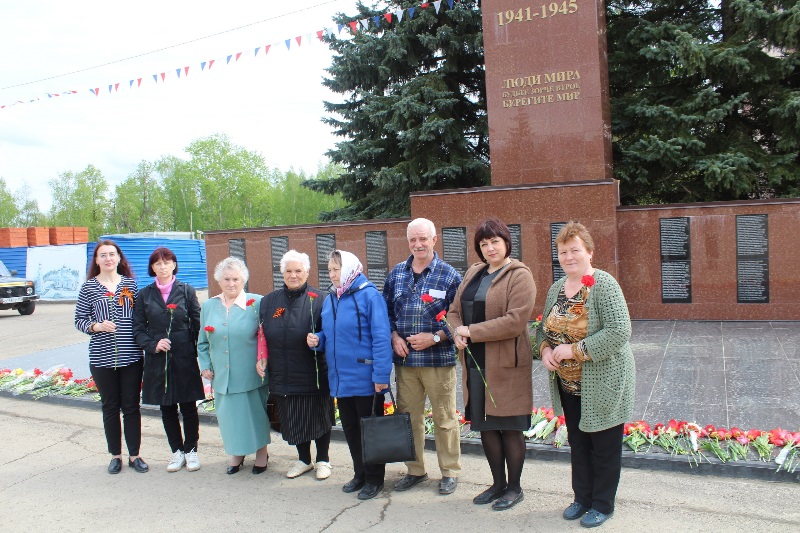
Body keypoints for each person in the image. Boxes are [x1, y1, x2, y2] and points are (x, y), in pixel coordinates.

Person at [534, 221, 635, 528]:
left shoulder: (603, 285)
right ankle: (582, 498)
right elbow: (542, 330)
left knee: (603, 448)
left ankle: (602, 504)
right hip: (569, 385)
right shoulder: (556, 288)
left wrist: (575, 351)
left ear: (589, 252)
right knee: (578, 444)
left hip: (603, 384)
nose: (569, 257)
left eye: (575, 250)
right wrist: (545, 350)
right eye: (563, 252)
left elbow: (620, 332)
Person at [447, 219, 536, 511]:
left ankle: (514, 487)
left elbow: (515, 321)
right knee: (486, 427)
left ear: (506, 242)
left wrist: (471, 332)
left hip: (505, 364)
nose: (490, 248)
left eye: (495, 241)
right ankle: (497, 484)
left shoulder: (519, 275)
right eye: (484, 243)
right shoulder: (474, 272)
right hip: (475, 362)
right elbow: (454, 311)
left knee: (509, 428)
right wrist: (456, 333)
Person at [382, 218, 462, 495]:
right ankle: (415, 469)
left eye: (423, 239)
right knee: (409, 418)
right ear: (408, 242)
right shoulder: (396, 274)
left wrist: (436, 337)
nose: (418, 245)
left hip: (438, 361)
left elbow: (458, 319)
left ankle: (449, 471)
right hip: (406, 363)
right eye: (413, 240)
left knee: (444, 418)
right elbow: (386, 314)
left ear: (434, 239)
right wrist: (393, 336)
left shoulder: (450, 275)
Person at [307, 250, 392, 501]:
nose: (332, 274)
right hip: (340, 379)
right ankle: (360, 474)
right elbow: (331, 335)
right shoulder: (333, 298)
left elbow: (381, 338)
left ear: (349, 269)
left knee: (370, 431)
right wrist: (318, 340)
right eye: (330, 270)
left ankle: (375, 479)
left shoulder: (369, 296)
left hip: (366, 378)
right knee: (352, 430)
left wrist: (381, 375)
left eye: (337, 269)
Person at [257, 250, 335, 480]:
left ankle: (323, 459)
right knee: (294, 418)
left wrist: (319, 338)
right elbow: (262, 333)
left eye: (298, 270)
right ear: (282, 273)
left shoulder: (321, 299)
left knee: (319, 416)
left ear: (307, 272)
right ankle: (303, 460)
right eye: (288, 271)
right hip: (283, 371)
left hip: (313, 372)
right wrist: (261, 357)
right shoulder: (271, 301)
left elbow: (331, 332)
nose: (293, 275)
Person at [74, 240, 147, 474]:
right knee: (110, 407)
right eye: (102, 255)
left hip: (131, 356)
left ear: (119, 258)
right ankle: (115, 455)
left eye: (112, 254)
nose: (108, 259)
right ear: (96, 260)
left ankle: (135, 455)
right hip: (101, 358)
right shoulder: (89, 288)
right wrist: (96, 326)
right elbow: (79, 320)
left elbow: (140, 319)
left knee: (132, 406)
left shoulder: (130, 286)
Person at [133, 247, 204, 473]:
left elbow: (197, 325)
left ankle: (191, 450)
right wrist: (153, 344)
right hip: (158, 359)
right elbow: (138, 329)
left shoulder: (186, 291)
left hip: (184, 357)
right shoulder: (144, 295)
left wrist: (196, 352)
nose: (162, 267)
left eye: (167, 262)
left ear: (174, 265)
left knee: (189, 407)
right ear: (152, 267)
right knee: (167, 408)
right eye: (157, 263)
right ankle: (177, 451)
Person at [198, 257, 269, 475]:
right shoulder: (209, 306)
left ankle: (261, 454)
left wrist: (264, 359)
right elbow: (202, 341)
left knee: (254, 415)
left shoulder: (257, 302)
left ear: (243, 280)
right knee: (229, 418)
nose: (231, 283)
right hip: (221, 375)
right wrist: (205, 365)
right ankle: (237, 453)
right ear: (219, 281)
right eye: (226, 279)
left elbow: (266, 336)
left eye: (235, 279)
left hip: (251, 373)